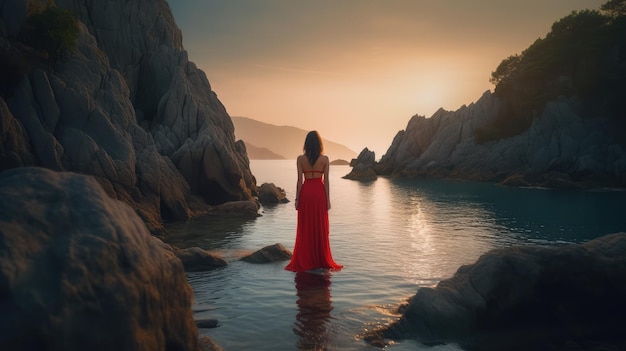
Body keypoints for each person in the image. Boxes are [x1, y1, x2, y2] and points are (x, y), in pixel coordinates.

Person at [285, 131, 342, 272]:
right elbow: (327, 182)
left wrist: (297, 199)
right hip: (319, 194)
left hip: (306, 193)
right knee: (320, 227)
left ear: (306, 144)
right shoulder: (325, 159)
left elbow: (299, 181)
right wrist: (328, 200)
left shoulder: (300, 159)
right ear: (319, 144)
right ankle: (319, 259)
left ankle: (306, 258)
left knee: (305, 227)